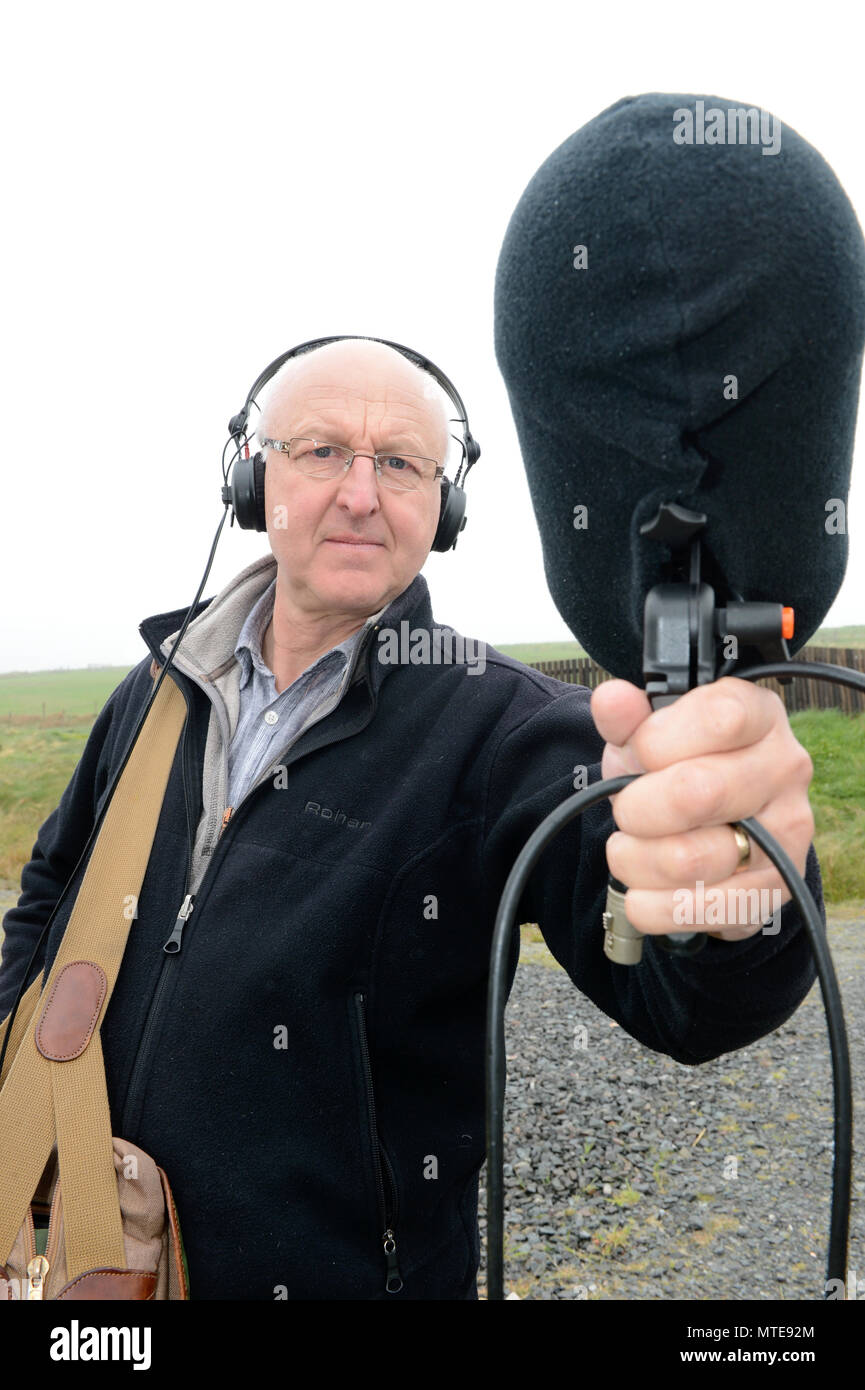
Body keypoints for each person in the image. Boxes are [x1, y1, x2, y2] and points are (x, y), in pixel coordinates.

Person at [0, 338, 822, 1300]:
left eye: (398, 463)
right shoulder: (157, 687)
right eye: (319, 453)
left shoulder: (507, 729)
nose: (359, 493)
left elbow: (686, 1007)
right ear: (253, 482)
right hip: (84, 1260)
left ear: (446, 508)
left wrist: (733, 882)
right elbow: (51, 888)